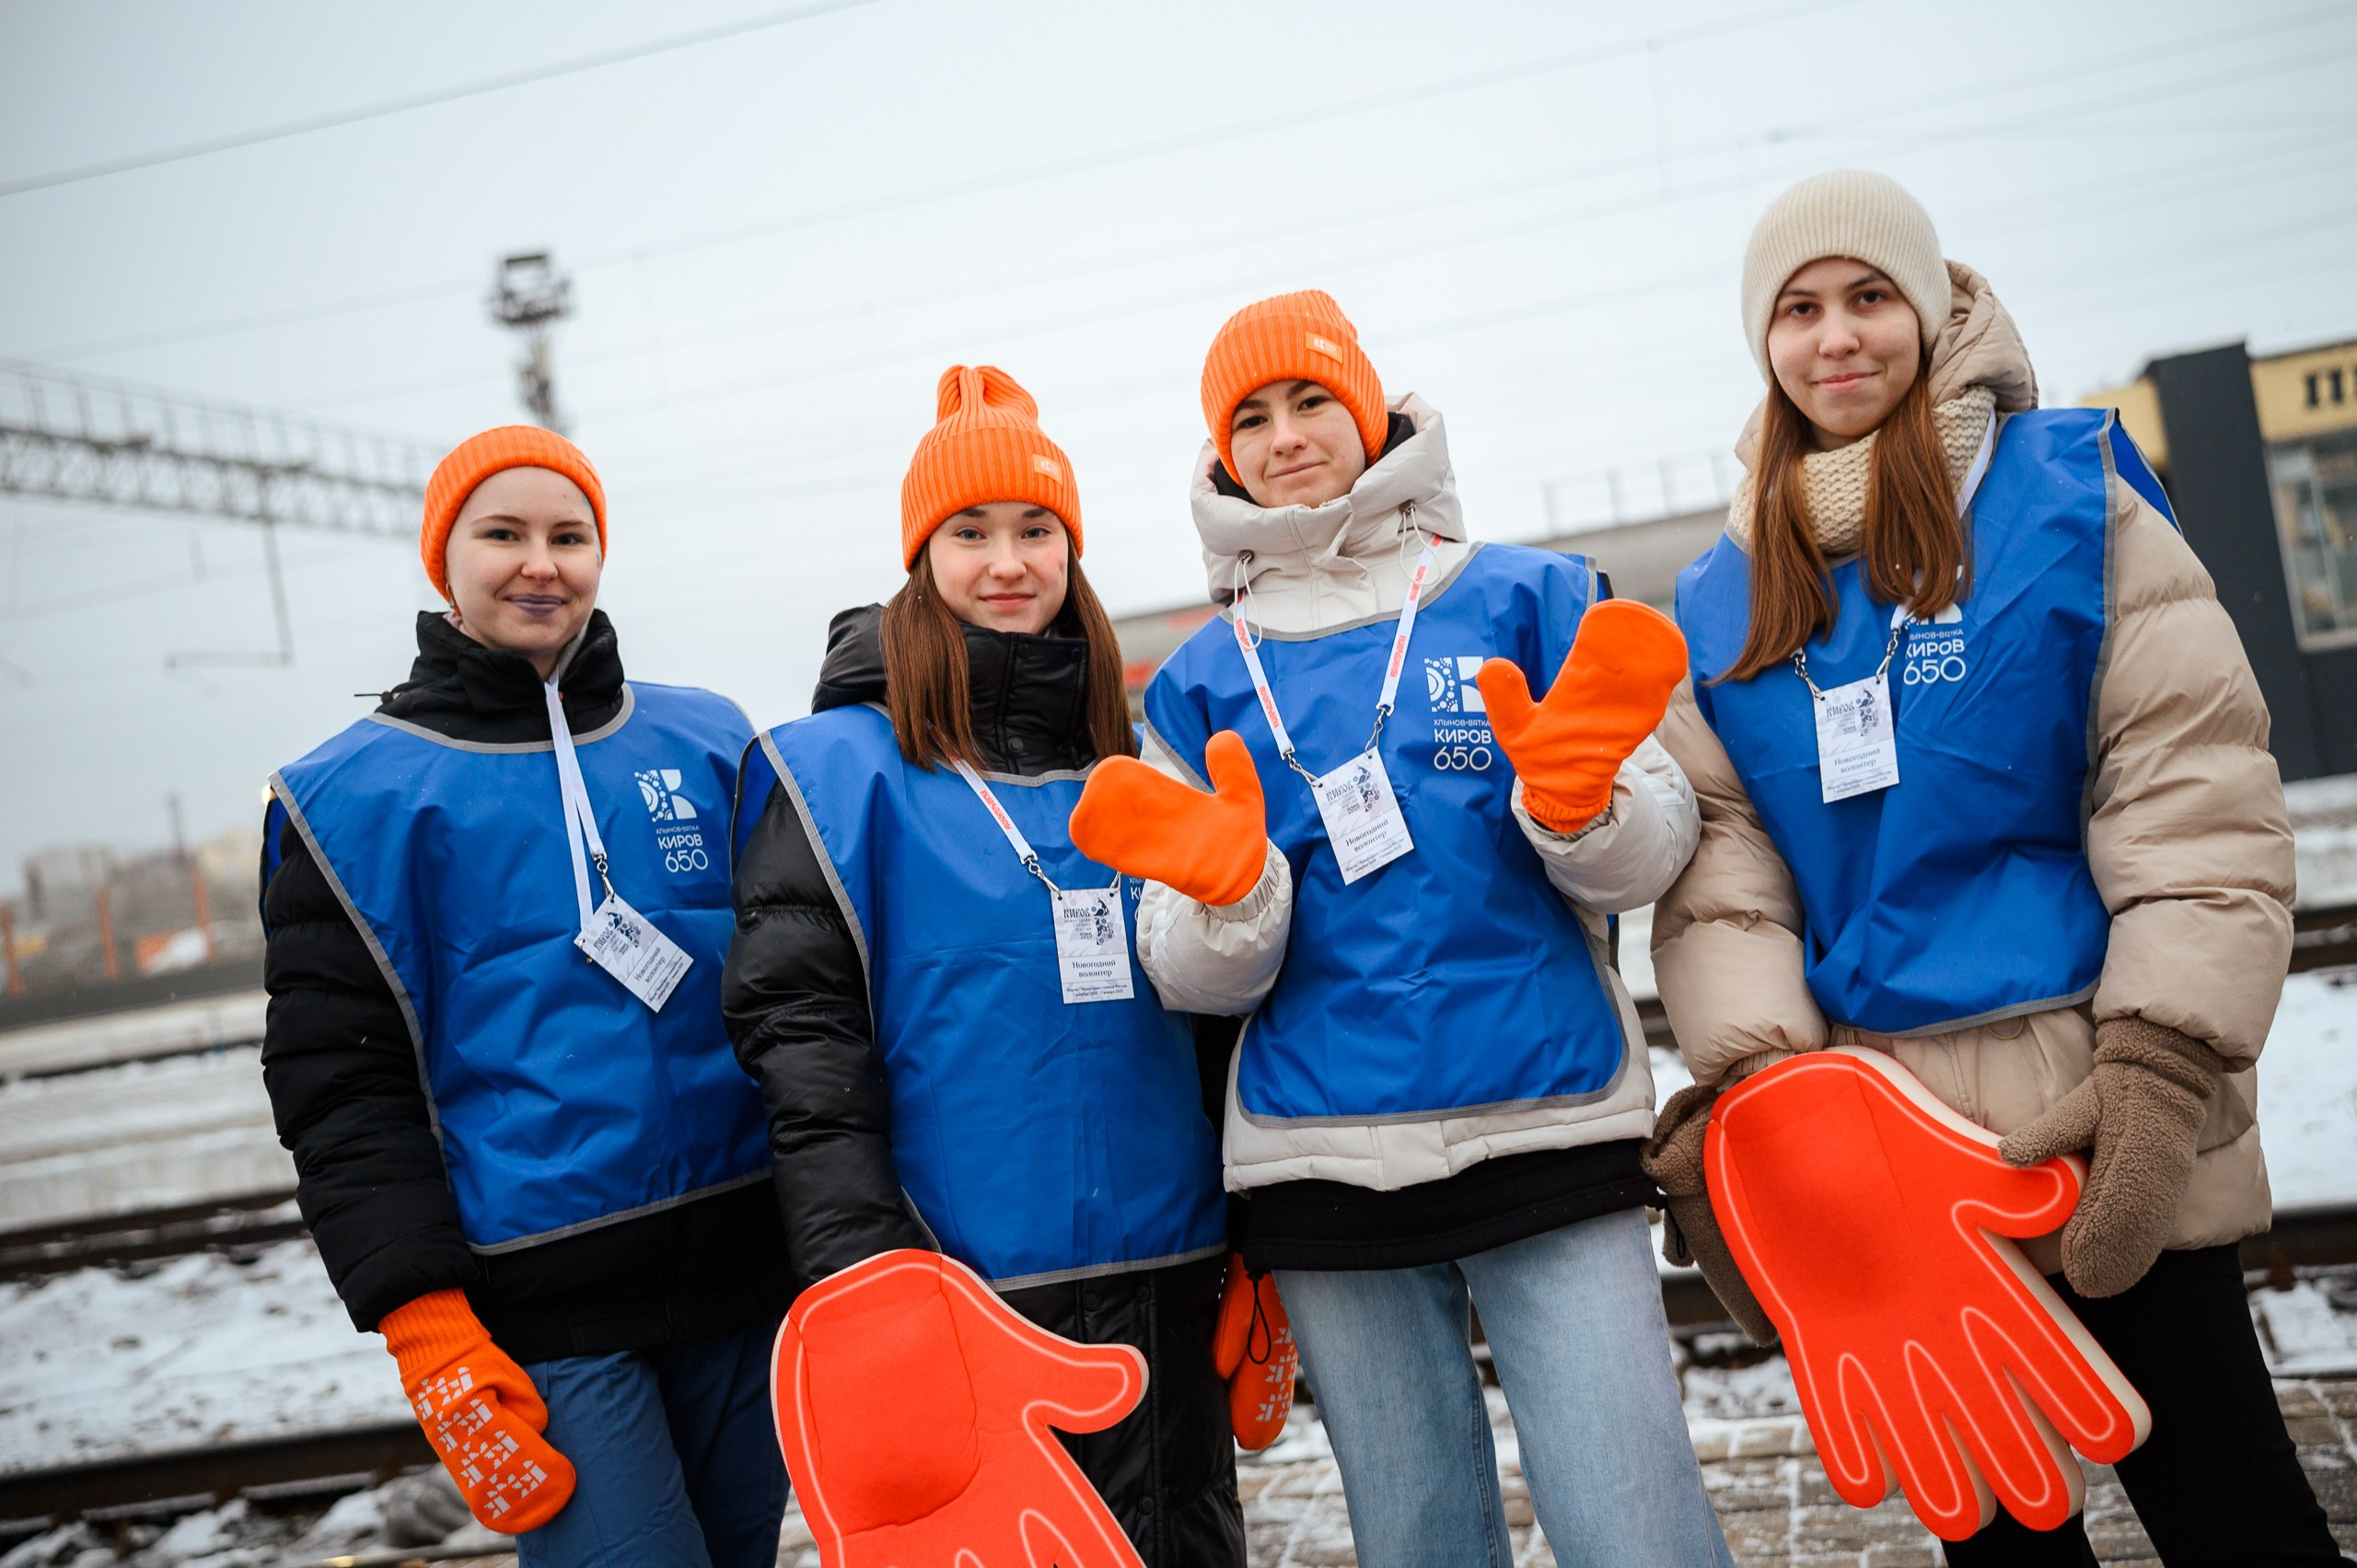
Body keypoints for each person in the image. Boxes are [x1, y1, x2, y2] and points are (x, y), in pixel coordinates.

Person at [1648, 169, 2347, 1563]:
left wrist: (2159, 1062)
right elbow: (1729, 873)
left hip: (2095, 1102)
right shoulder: (1729, 588)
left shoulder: (2066, 497)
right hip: (1892, 1156)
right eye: (1798, 310)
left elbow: (2191, 786)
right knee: (2007, 1547)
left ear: (1930, 306)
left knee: (2236, 1518)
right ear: (1764, 344)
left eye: (1869, 298)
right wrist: (1754, 1097)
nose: (1837, 337)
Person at [1072, 291, 1734, 1568]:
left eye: (1311, 397)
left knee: (1636, 1525)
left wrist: (1580, 802)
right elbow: (1192, 974)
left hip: (1548, 1120)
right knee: (1420, 1536)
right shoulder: (1202, 673)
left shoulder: (1529, 598)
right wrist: (1229, 897)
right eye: (1249, 418)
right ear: (1223, 454)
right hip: (1320, 1164)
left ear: (1371, 406)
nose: (1286, 435)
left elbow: (1647, 857)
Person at [722, 366, 1245, 1566]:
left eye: (1036, 530)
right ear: (921, 557)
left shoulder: (1141, 755)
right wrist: (867, 1280)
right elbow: (805, 1054)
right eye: (970, 532)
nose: (1007, 561)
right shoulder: (831, 771)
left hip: (1175, 1272)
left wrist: (1256, 1240)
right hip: (965, 1294)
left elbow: (1219, 1007)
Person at [261, 426, 790, 1567]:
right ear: (443, 560)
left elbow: (803, 994)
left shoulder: (710, 738)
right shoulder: (347, 799)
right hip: (547, 1307)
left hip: (749, 1269)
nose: (539, 562)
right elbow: (339, 1089)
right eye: (502, 534)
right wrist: (424, 1322)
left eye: (570, 534)